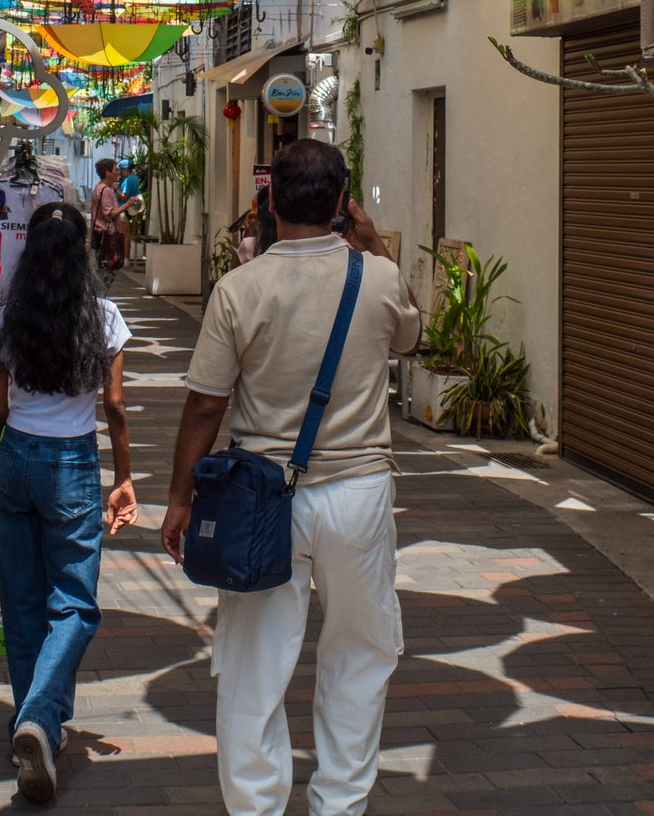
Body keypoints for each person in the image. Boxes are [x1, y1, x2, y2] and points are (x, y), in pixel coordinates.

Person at [162, 139, 420, 816]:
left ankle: (255, 806)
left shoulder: (239, 288)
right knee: (361, 654)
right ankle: (340, 804)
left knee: (252, 665)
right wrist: (375, 246)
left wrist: (181, 496)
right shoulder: (378, 278)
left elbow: (205, 403)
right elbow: (410, 338)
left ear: (269, 199)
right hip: (360, 492)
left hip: (260, 497)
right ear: (341, 202)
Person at [0, 202, 137, 803]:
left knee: (24, 603)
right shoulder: (104, 319)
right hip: (72, 465)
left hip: (17, 466)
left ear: (30, 257)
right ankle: (39, 718)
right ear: (85, 254)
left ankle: (35, 727)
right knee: (75, 605)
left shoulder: (5, 322)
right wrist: (124, 478)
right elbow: (114, 406)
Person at [88, 160, 128, 275]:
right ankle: (100, 293)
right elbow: (109, 214)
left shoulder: (99, 187)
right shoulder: (106, 191)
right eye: (115, 170)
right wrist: (127, 204)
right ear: (107, 173)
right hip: (106, 236)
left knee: (100, 269)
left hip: (99, 234)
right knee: (106, 270)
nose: (118, 172)